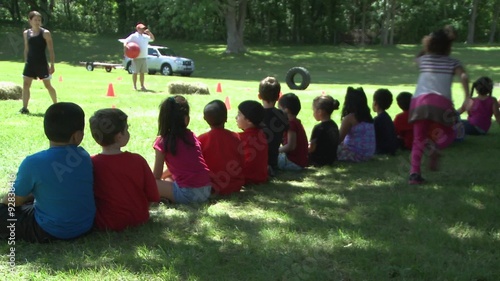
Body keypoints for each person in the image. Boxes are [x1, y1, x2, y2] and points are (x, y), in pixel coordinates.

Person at [0, 102, 95, 242]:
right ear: (78, 136)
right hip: (85, 226)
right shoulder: (83, 156)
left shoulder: (33, 162)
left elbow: (14, 201)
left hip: (49, 230)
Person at [408, 25, 470, 184]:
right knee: (450, 132)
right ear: (448, 46)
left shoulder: (423, 60)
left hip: (419, 103)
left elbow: (417, 57)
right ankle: (434, 148)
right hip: (442, 104)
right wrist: (467, 97)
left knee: (418, 139)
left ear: (429, 44)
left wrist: (429, 45)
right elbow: (463, 76)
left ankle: (414, 174)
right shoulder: (452, 62)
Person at [89, 108, 160, 231]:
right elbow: (153, 195)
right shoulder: (138, 161)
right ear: (119, 136)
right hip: (139, 218)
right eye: (126, 129)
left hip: (106, 222)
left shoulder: (91, 164)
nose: (128, 132)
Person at [153, 96, 212, 204]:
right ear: (186, 119)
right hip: (206, 190)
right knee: (168, 178)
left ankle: (166, 197)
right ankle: (168, 197)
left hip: (188, 193)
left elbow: (156, 176)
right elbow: (185, 165)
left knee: (152, 183)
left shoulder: (162, 142)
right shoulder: (191, 137)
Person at [198, 100, 245, 195]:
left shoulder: (201, 139)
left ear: (205, 119)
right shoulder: (236, 137)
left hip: (211, 186)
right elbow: (241, 161)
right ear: (226, 118)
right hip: (234, 185)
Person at [20, 11, 57, 114]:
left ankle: (56, 106)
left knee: (48, 85)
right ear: (30, 21)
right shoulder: (26, 33)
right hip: (30, 63)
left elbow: (51, 50)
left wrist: (52, 65)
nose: (37, 22)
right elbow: (26, 48)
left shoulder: (45, 33)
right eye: (35, 20)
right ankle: (24, 108)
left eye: (39, 20)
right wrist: (26, 61)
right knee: (26, 84)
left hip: (41, 63)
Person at [258, 76, 289, 176]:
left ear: (259, 96)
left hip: (259, 157)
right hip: (274, 158)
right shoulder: (282, 115)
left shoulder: (257, 115)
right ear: (278, 96)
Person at [337, 87, 376, 162]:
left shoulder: (350, 118)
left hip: (355, 155)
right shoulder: (368, 117)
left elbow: (338, 139)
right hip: (368, 154)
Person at [236, 100, 268, 184]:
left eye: (239, 114)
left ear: (249, 120)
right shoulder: (262, 135)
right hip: (261, 176)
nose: (236, 117)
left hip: (245, 177)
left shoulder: (239, 138)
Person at [278, 93, 309, 170]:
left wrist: (276, 151)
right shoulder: (296, 122)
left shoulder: (291, 125)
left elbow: (291, 146)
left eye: (279, 108)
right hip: (300, 162)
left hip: (294, 162)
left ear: (286, 110)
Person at [308, 95, 340, 166]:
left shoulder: (319, 128)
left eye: (313, 110)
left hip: (318, 161)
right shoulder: (334, 125)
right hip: (331, 159)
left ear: (320, 111)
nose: (313, 113)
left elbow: (311, 149)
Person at [124, 23, 155, 91]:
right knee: (135, 72)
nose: (143, 30)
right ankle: (134, 86)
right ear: (137, 29)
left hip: (144, 57)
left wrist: (149, 33)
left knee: (142, 72)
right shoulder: (133, 36)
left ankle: (142, 86)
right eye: (141, 28)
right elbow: (126, 41)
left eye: (143, 28)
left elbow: (152, 39)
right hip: (136, 57)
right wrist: (126, 48)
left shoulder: (145, 36)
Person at [372, 88, 399, 155]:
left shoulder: (377, 120)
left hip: (381, 150)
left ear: (375, 103)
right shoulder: (387, 118)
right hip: (390, 148)